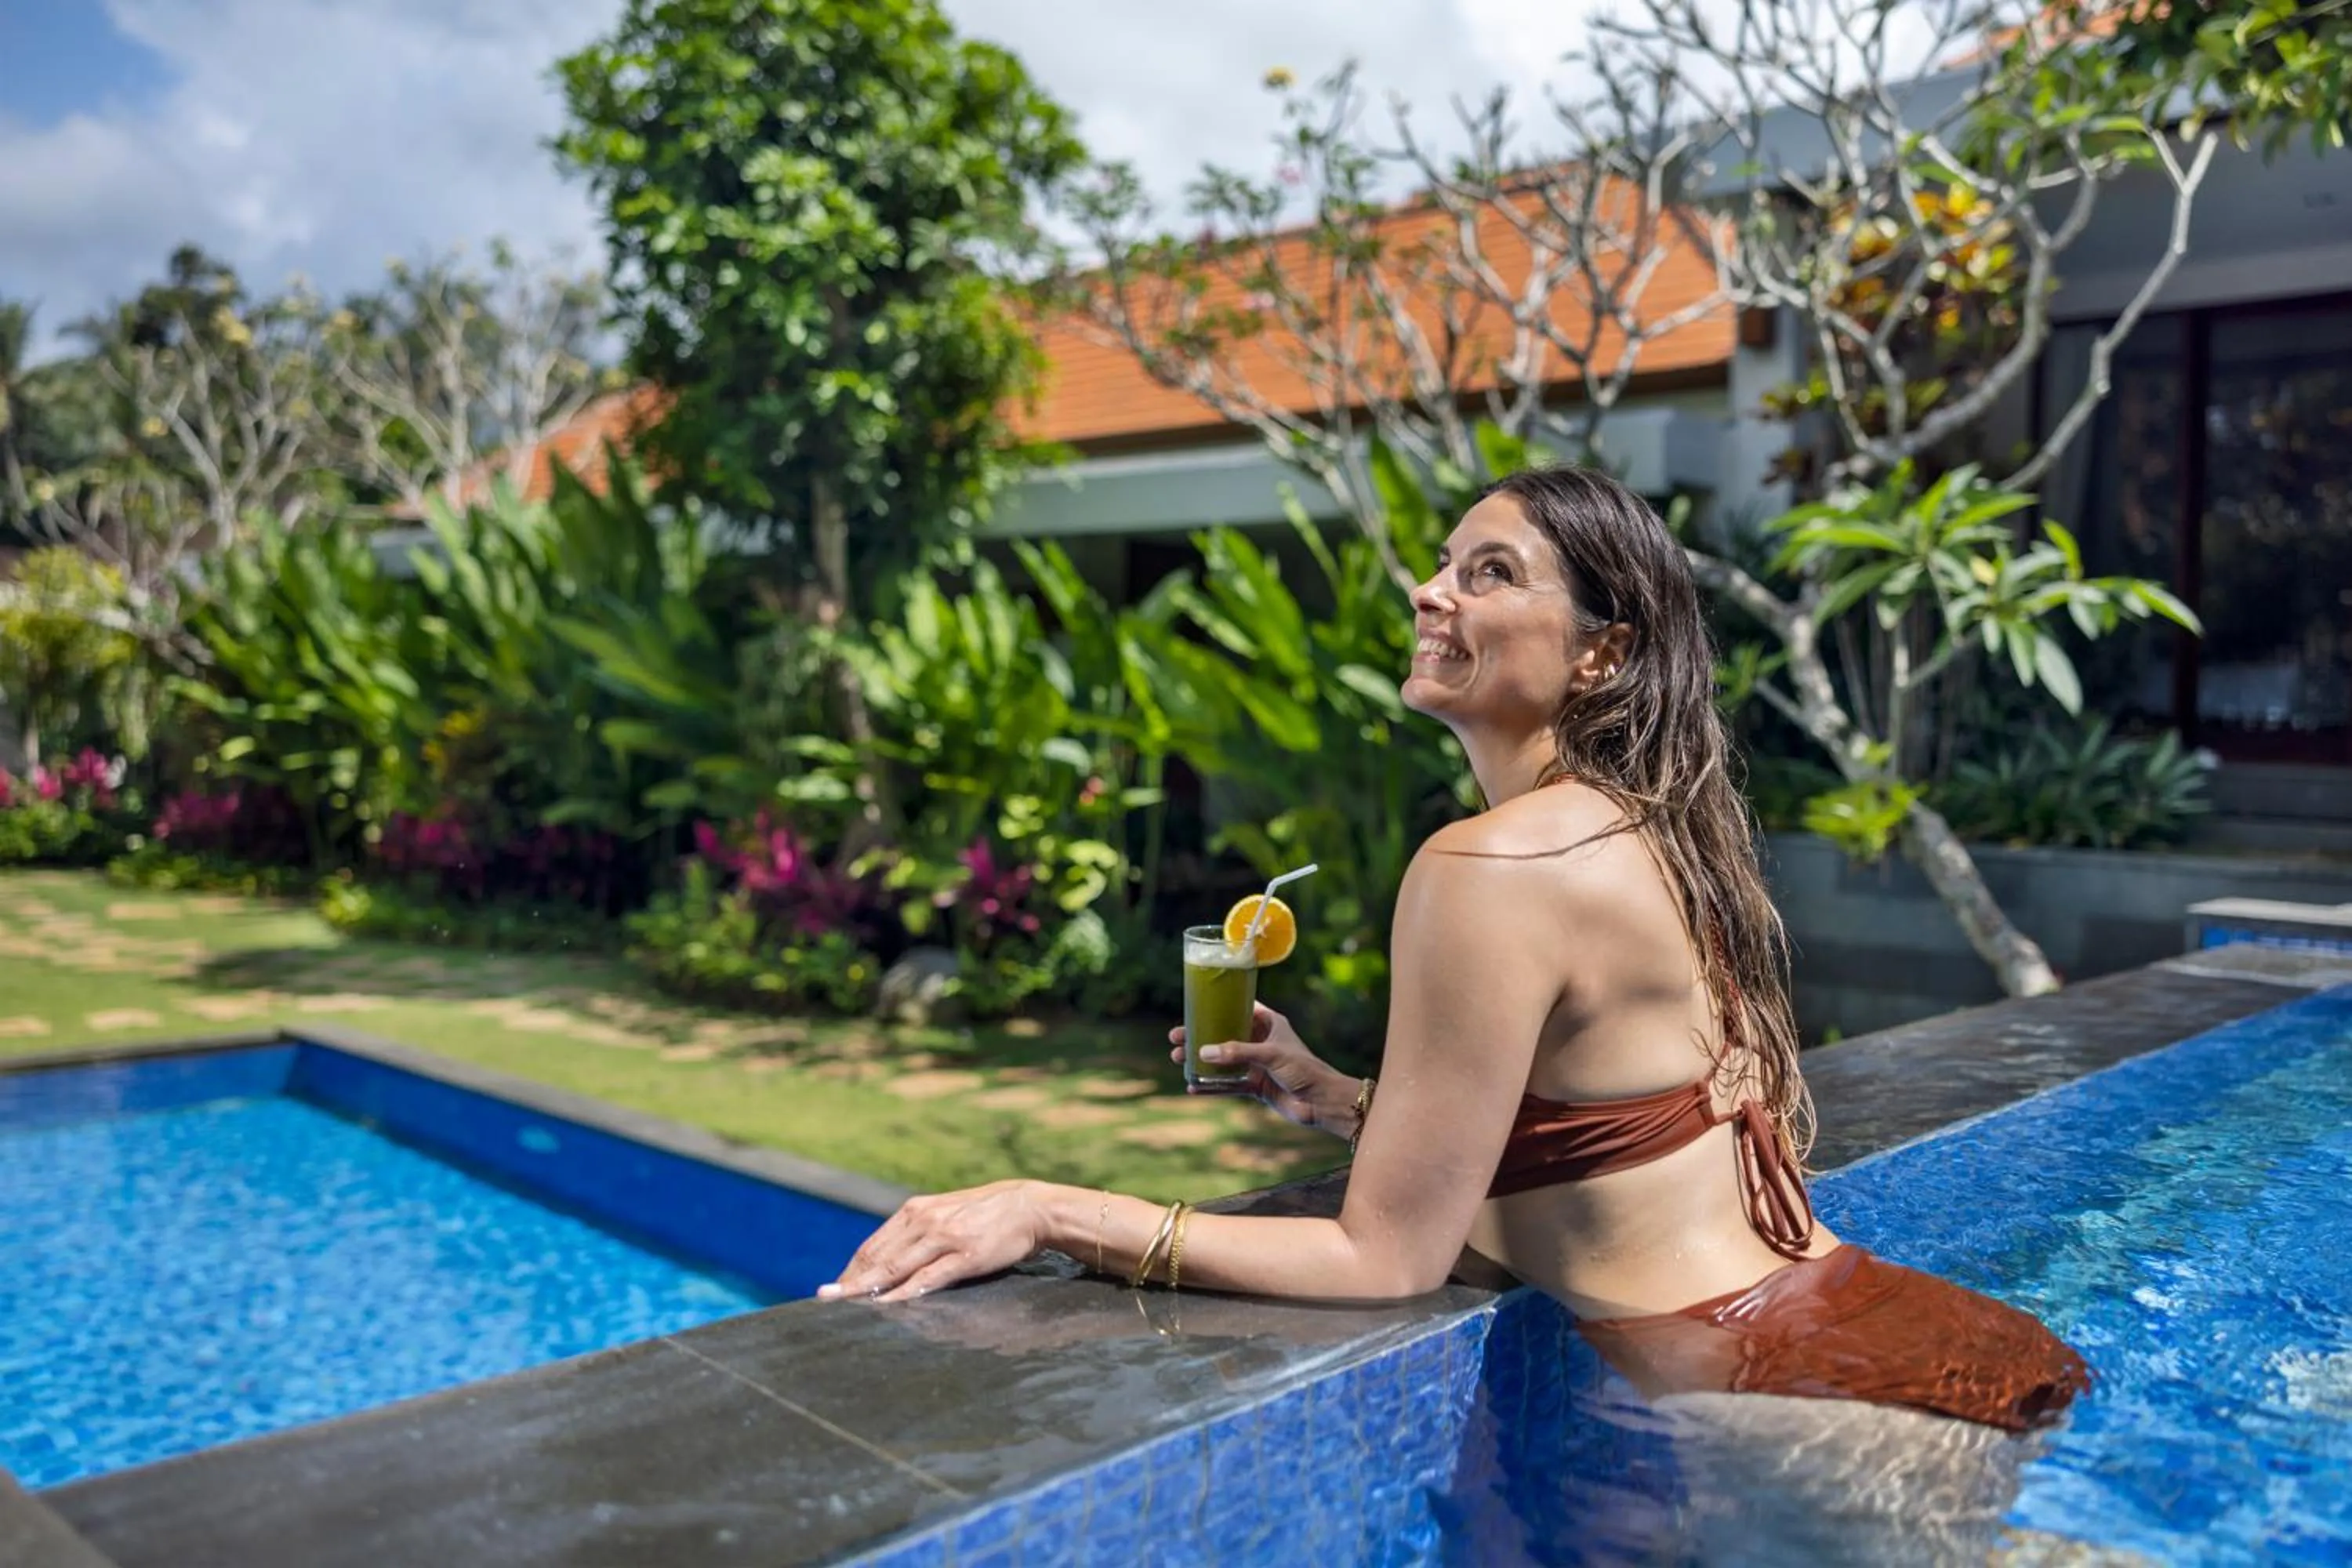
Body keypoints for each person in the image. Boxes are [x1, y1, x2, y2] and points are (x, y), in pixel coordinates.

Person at [819, 464, 2089, 1442]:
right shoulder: (1659, 833)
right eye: (1442, 567)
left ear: (1601, 650)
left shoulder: (1486, 867)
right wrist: (1353, 1103)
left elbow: (1385, 1262)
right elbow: (1612, 1136)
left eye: (1489, 573)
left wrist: (1050, 1208)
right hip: (1895, 1324)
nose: (1432, 592)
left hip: (1790, 1388)